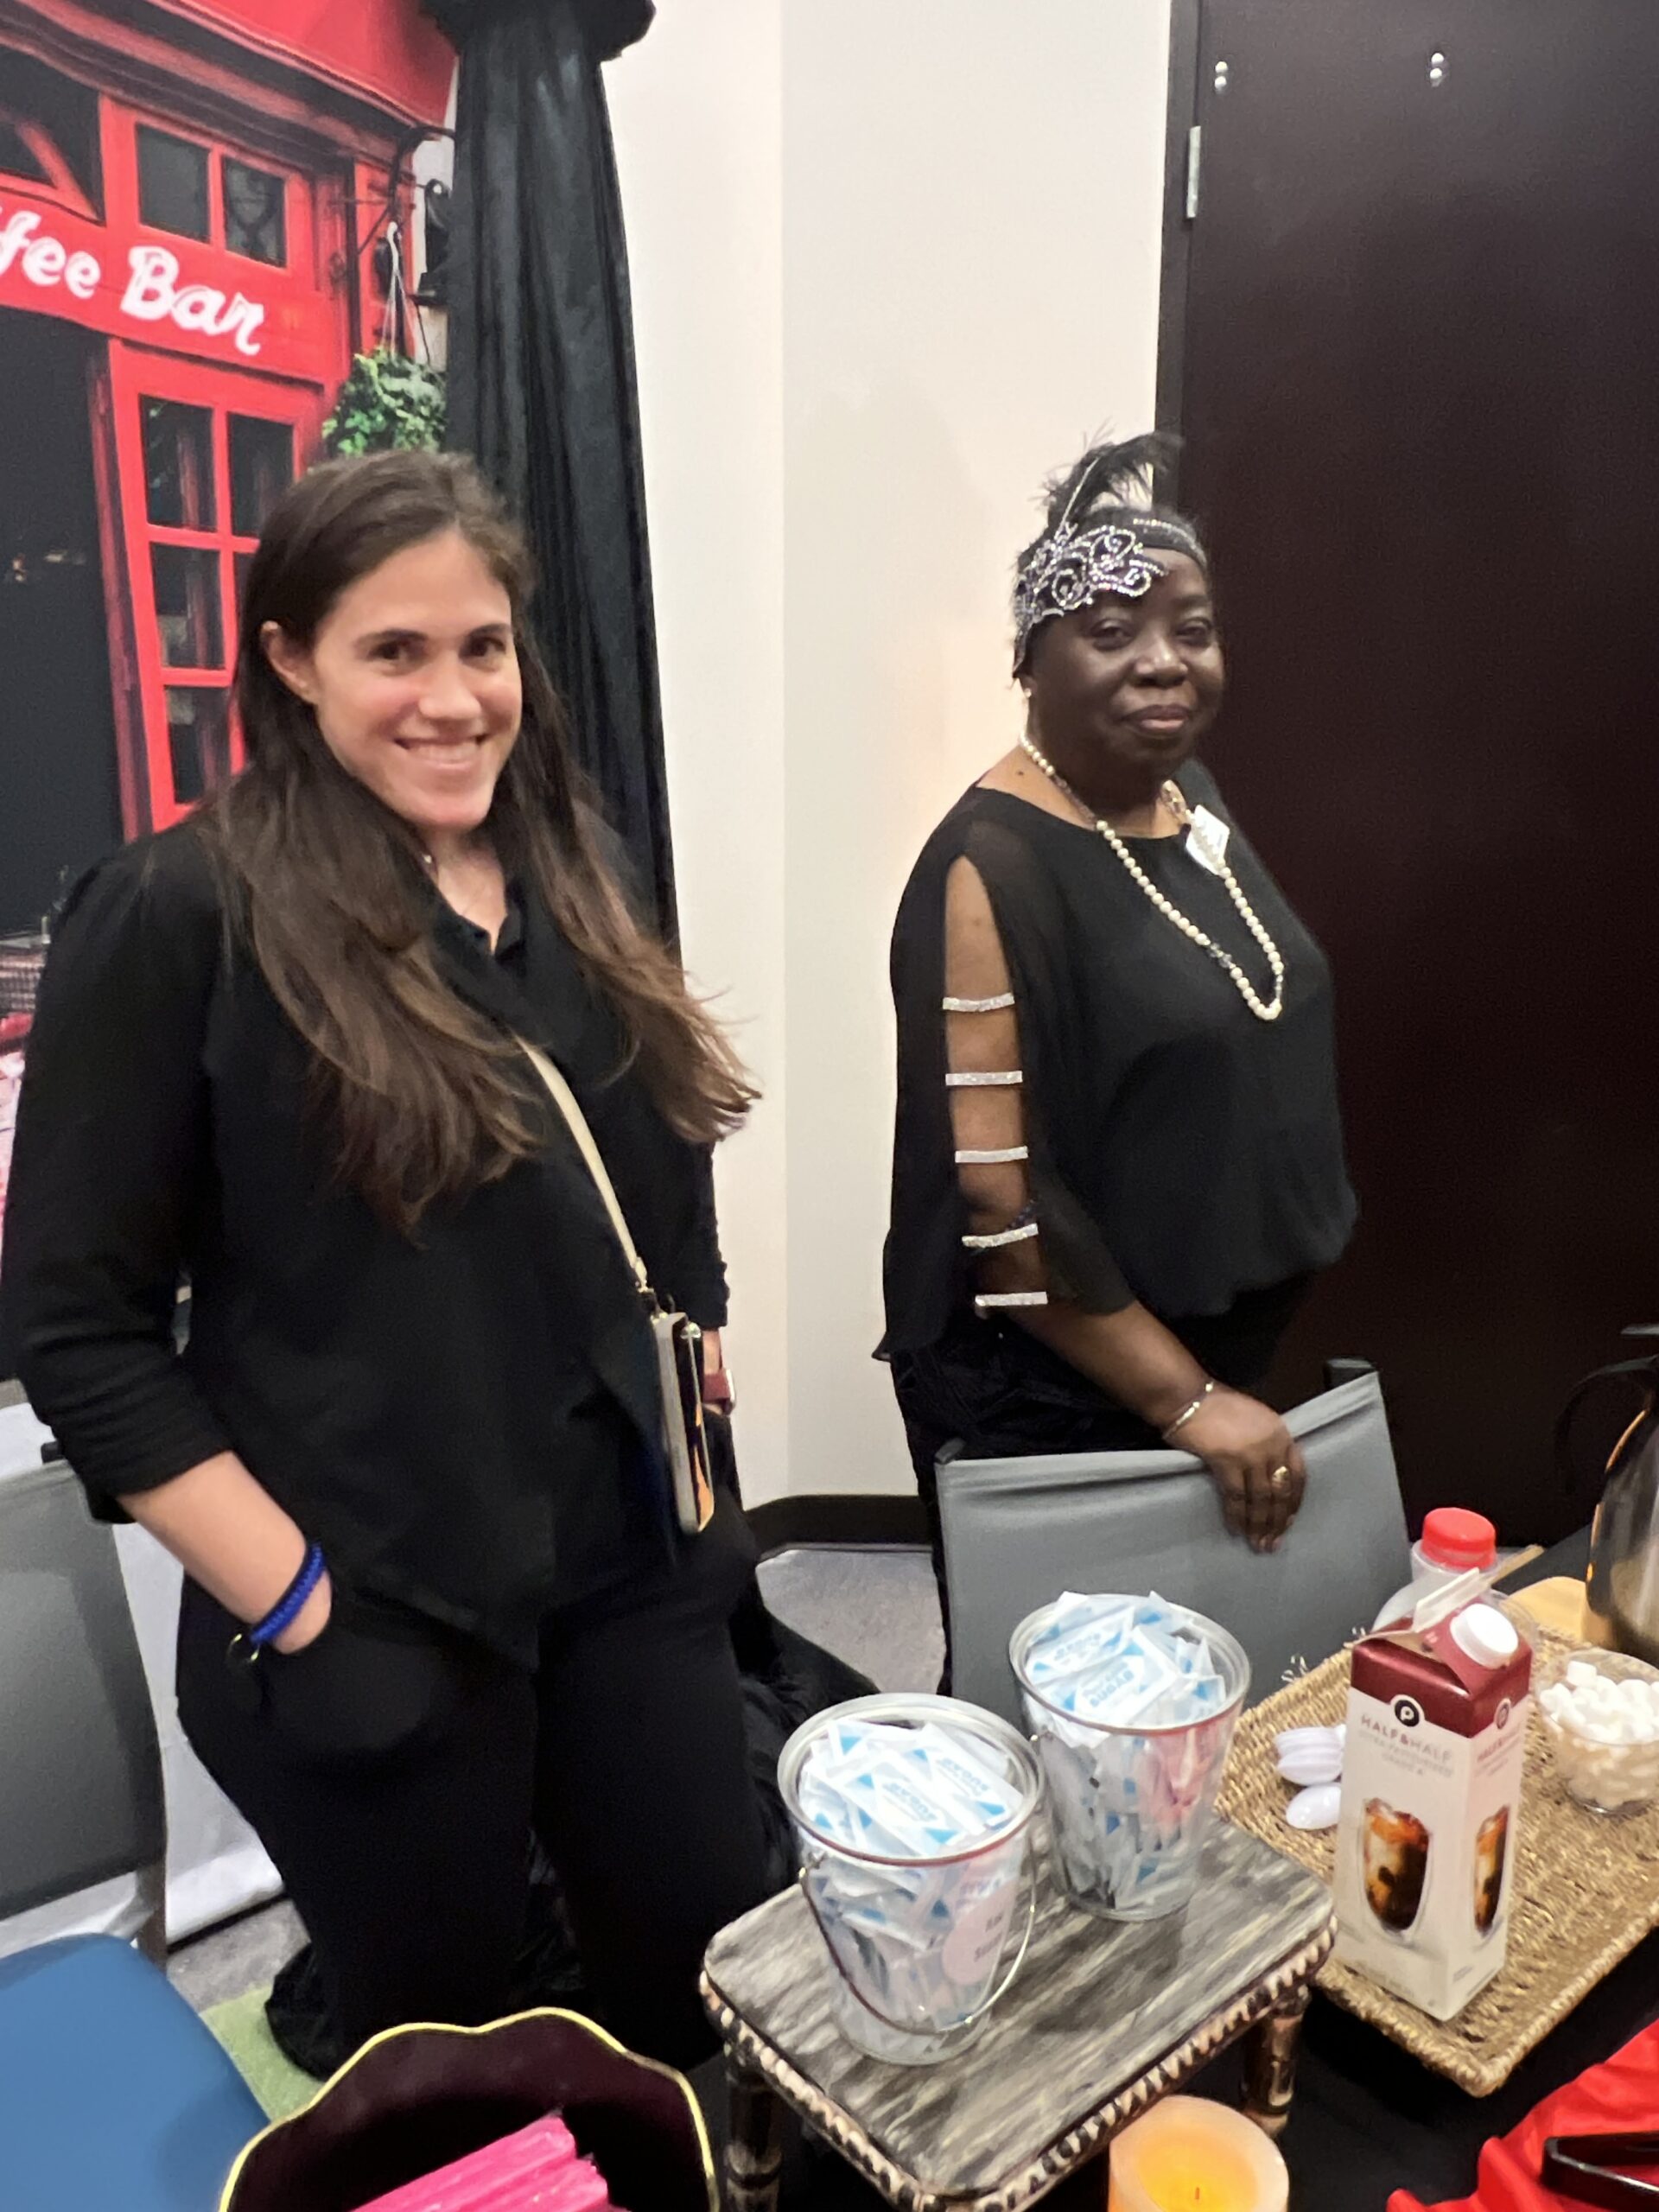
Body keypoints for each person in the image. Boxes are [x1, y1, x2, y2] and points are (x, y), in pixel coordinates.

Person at [1, 450, 772, 2068]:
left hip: (624, 1562)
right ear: (291, 660)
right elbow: (74, 1329)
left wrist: (699, 1434)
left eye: (482, 647)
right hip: (379, 1599)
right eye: (394, 652)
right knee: (449, 2053)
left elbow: (665, 1188)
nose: (453, 699)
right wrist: (296, 1607)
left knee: (698, 1968)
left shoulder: (572, 869)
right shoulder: (179, 916)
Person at [882, 435, 1356, 1666]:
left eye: (1192, 630)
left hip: (1215, 1346)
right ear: (1029, 660)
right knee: (1065, 1692)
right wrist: (1185, 1400)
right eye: (1109, 632)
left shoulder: (1187, 800)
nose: (1163, 661)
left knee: (1201, 1682)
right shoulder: (988, 867)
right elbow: (999, 1205)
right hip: (1058, 1382)